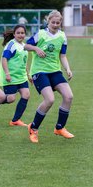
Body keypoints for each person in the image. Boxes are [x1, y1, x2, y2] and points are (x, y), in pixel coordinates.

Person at [24, 10, 74, 143]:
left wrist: (67, 69)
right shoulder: (41, 34)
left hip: (55, 71)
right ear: (48, 21)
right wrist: (36, 49)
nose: (56, 24)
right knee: (49, 100)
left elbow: (62, 56)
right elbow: (26, 46)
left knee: (68, 97)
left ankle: (59, 128)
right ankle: (33, 128)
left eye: (58, 22)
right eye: (53, 22)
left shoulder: (62, 36)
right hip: (39, 71)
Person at [0, 25, 31, 127]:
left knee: (26, 95)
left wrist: (28, 74)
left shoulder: (24, 46)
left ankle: (15, 120)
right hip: (11, 77)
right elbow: (4, 60)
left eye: (22, 33)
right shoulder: (11, 45)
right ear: (14, 34)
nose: (21, 35)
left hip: (21, 77)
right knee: (11, 99)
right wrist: (7, 74)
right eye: (18, 33)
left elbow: (24, 62)